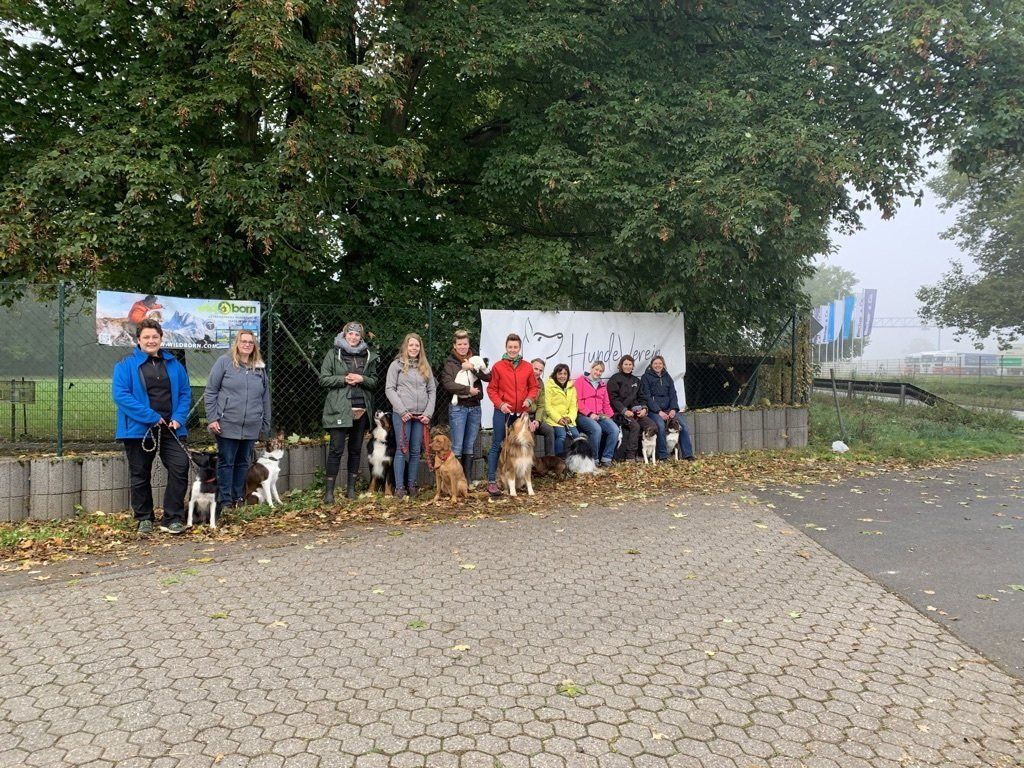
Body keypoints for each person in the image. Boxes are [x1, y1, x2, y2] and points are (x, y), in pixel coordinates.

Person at [111, 318, 191, 535]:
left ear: (161, 339)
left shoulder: (174, 364)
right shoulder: (125, 365)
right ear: (138, 339)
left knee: (180, 467)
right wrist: (151, 417)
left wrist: (179, 417)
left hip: (172, 428)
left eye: (155, 337)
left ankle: (172, 518)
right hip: (139, 429)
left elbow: (185, 393)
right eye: (146, 337)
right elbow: (121, 396)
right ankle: (144, 518)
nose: (151, 341)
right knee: (140, 474)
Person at [205, 330, 271, 509]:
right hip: (227, 424)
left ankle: (238, 498)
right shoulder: (224, 362)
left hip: (251, 425)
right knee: (226, 463)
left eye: (251, 342)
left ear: (254, 346)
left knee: (243, 463)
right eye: (244, 341)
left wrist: (265, 423)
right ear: (237, 343)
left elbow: (265, 398)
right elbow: (211, 391)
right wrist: (212, 418)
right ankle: (225, 501)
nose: (247, 344)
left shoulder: (259, 367)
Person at [320, 321, 378, 502]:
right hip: (340, 409)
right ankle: (329, 492)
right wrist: (344, 379)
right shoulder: (333, 353)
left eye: (357, 335)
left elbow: (374, 381)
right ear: (344, 335)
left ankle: (351, 489)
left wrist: (362, 379)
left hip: (361, 409)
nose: (353, 337)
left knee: (355, 450)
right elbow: (324, 379)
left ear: (361, 337)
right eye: (350, 334)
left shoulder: (368, 356)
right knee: (336, 450)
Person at [485, 333, 538, 497]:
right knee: (497, 444)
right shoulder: (498, 366)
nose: (513, 350)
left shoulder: (527, 367)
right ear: (506, 347)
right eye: (510, 347)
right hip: (503, 412)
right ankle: (492, 481)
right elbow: (491, 389)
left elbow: (534, 387)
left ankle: (520, 478)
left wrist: (529, 400)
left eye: (515, 347)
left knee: (523, 444)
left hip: (521, 413)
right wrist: (501, 404)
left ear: (519, 348)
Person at [386, 333, 436, 499]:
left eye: (417, 345)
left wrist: (428, 413)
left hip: (420, 417)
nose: (414, 348)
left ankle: (412, 485)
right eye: (411, 345)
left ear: (420, 348)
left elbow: (432, 390)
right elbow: (389, 389)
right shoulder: (396, 365)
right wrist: (402, 411)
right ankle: (400, 488)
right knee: (402, 450)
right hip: (402, 415)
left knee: (415, 451)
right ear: (405, 347)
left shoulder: (425, 367)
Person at [440, 329, 491, 483]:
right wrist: (468, 390)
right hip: (458, 409)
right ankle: (456, 481)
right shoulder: (450, 363)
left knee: (469, 445)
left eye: (465, 344)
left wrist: (472, 368)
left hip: (475, 407)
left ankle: (467, 481)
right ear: (454, 346)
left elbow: (488, 376)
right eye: (460, 344)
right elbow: (448, 384)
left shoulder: (476, 359)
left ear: (469, 345)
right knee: (457, 446)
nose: (462, 347)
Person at [640, 355, 695, 461]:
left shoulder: (667, 376)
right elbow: (647, 397)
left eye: (660, 363)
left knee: (683, 426)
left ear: (663, 365)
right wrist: (658, 411)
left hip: (669, 409)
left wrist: (673, 409)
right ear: (651, 365)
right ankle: (663, 456)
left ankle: (688, 454)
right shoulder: (645, 377)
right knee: (660, 426)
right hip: (654, 411)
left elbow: (673, 394)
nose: (658, 365)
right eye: (655, 363)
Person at [607, 355, 656, 462]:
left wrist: (644, 409)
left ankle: (644, 454)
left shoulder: (636, 380)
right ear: (621, 365)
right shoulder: (614, 379)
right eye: (626, 364)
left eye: (630, 364)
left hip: (636, 412)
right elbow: (613, 399)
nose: (628, 366)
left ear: (633, 366)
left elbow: (642, 397)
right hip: (620, 413)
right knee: (635, 426)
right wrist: (624, 411)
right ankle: (630, 456)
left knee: (652, 425)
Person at [574, 361, 620, 466]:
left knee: (614, 429)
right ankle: (593, 459)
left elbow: (606, 404)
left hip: (599, 415)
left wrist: (611, 417)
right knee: (596, 429)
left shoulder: (602, 385)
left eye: (601, 371)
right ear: (591, 369)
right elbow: (577, 401)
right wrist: (589, 414)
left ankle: (606, 458)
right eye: (596, 369)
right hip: (583, 415)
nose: (598, 373)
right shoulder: (581, 381)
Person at [543, 363, 580, 455]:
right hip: (554, 419)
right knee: (561, 436)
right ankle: (559, 459)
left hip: (567, 419)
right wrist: (558, 419)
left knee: (576, 436)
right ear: (555, 374)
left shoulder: (571, 388)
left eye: (565, 374)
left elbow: (573, 406)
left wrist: (569, 418)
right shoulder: (549, 386)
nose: (562, 376)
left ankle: (574, 458)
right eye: (560, 373)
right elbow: (548, 406)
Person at [528, 358, 556, 457]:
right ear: (530, 367)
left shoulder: (540, 383)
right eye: (536, 369)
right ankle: (530, 462)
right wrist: (528, 421)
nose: (538, 372)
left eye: (540, 370)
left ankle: (550, 460)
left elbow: (541, 405)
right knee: (530, 433)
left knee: (549, 430)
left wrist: (537, 420)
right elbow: (520, 405)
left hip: (535, 417)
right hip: (523, 417)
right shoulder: (522, 380)